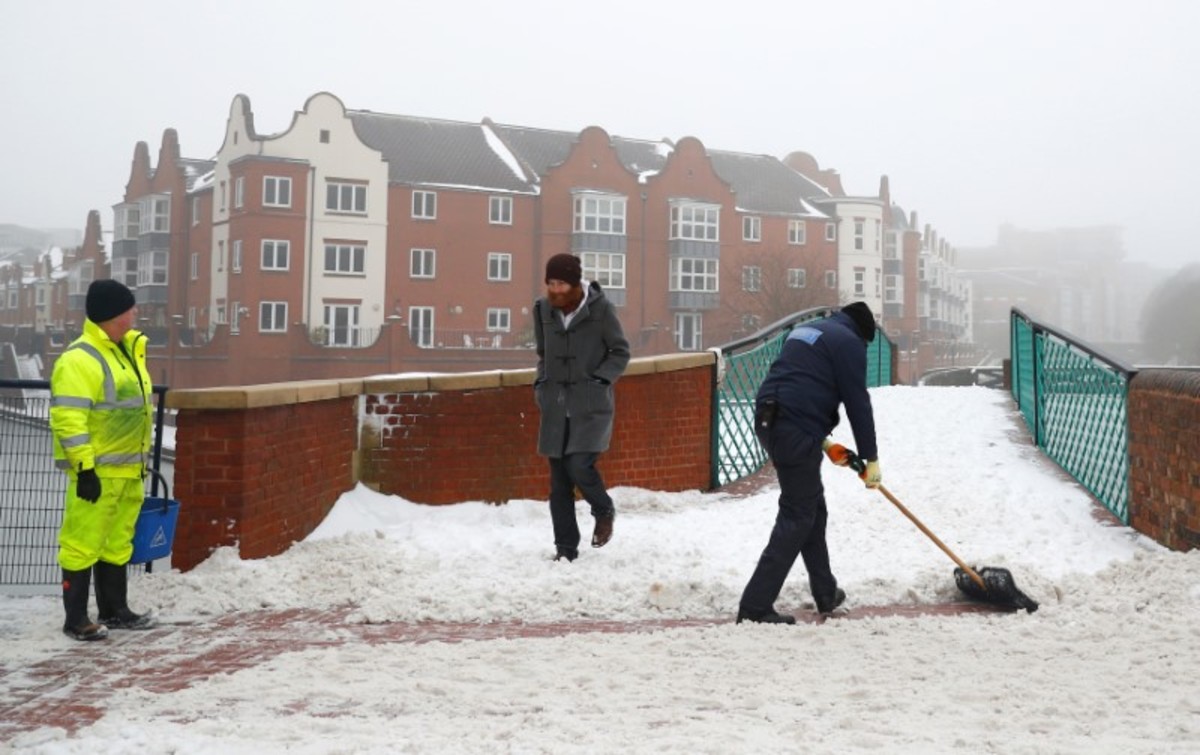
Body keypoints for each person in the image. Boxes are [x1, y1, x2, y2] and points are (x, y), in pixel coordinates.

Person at [737, 302, 882, 624]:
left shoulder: (808, 330)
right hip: (795, 428)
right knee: (798, 514)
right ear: (863, 334)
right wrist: (870, 458)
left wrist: (824, 441)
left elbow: (800, 384)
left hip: (769, 418)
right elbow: (857, 402)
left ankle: (825, 590)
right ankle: (755, 607)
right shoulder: (849, 343)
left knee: (812, 508)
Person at [50, 279, 156, 640]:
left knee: (117, 542)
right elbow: (69, 419)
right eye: (130, 307)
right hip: (97, 472)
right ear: (114, 314)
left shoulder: (126, 352)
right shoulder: (79, 360)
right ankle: (76, 620)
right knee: (81, 544)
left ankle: (115, 609)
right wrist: (85, 469)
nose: (135, 312)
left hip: (128, 470)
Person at [533, 253, 630, 562]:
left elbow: (620, 352)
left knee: (579, 464)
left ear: (575, 283)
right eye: (551, 283)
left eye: (561, 283)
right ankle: (565, 549)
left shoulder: (601, 309)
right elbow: (542, 354)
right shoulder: (542, 309)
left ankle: (603, 509)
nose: (556, 290)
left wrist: (600, 380)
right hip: (555, 405)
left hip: (591, 405)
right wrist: (541, 384)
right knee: (559, 483)